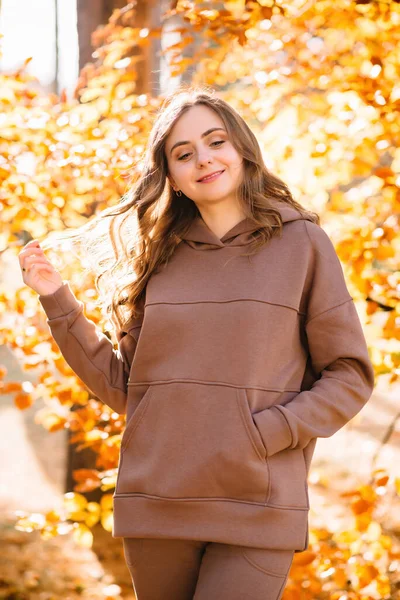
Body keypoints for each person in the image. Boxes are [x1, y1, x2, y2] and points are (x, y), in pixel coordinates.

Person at [19, 86, 375, 600]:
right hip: (158, 500)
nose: (203, 159)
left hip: (258, 499)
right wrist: (57, 300)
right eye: (184, 154)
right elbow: (125, 387)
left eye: (215, 142)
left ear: (242, 150)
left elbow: (349, 374)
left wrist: (269, 432)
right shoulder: (158, 259)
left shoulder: (302, 244)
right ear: (173, 178)